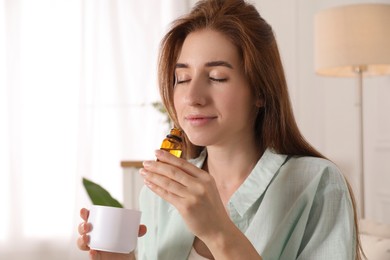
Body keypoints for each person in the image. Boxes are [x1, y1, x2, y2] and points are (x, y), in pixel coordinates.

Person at [77, 0, 365, 259]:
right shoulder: (156, 195)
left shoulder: (317, 183)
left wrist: (218, 232)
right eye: (182, 78)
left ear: (260, 91)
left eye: (216, 77)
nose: (192, 97)